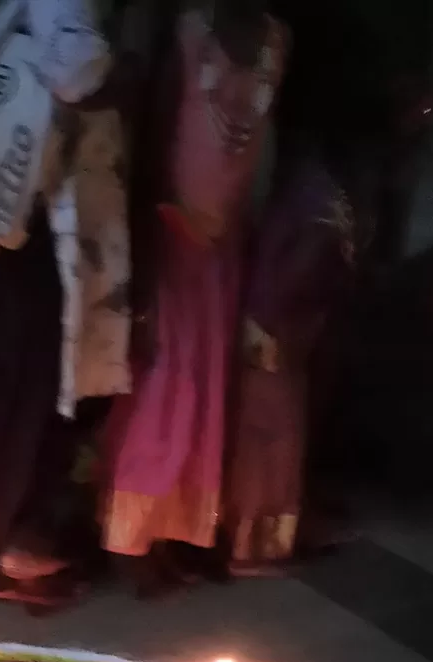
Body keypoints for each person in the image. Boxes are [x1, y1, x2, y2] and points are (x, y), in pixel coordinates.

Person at [0, 0, 131, 609]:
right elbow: (76, 66)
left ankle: (1, 547)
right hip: (30, 211)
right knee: (29, 384)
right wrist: (126, 69)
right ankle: (16, 550)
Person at [98, 0, 286, 586]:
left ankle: (178, 528)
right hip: (172, 230)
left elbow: (260, 143)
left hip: (225, 242)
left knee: (205, 391)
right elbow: (152, 128)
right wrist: (150, 229)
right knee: (164, 382)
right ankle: (129, 537)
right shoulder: (185, 29)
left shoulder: (275, 36)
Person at [224, 104, 379, 574]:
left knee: (264, 433)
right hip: (276, 331)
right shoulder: (323, 200)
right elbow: (307, 261)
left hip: (268, 323)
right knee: (272, 439)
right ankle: (252, 546)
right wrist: (276, 325)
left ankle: (250, 536)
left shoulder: (300, 185)